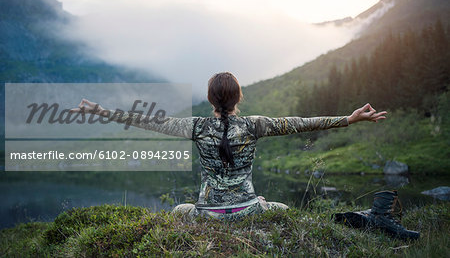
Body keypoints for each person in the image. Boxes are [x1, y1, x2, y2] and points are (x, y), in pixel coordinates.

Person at [71, 72, 387, 222]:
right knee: (284, 211)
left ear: (210, 99)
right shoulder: (255, 124)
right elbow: (302, 122)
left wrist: (100, 110)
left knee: (180, 210)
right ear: (238, 98)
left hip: (207, 214)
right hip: (248, 210)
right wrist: (348, 118)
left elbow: (146, 121)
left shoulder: (195, 126)